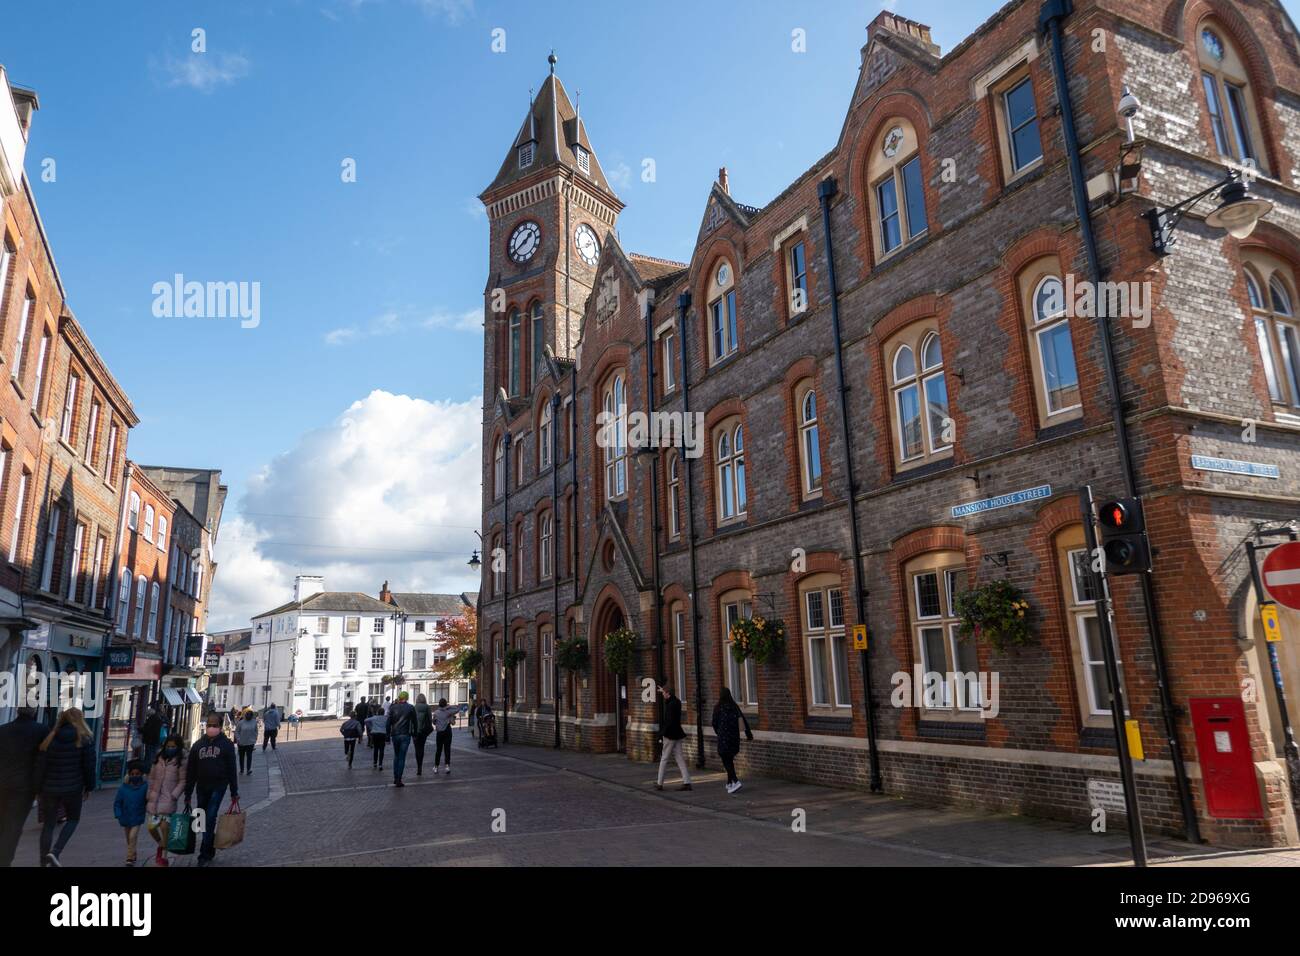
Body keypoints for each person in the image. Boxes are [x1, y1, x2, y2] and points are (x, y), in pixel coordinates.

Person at [34, 707, 96, 867]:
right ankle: (55, 852)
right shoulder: (84, 739)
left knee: (48, 824)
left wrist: (37, 788)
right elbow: (89, 766)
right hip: (73, 787)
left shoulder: (50, 738)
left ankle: (43, 861)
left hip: (49, 788)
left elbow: (40, 765)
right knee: (73, 819)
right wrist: (89, 787)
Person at [185, 712, 240, 866]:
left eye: (215, 725)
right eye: (209, 725)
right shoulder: (198, 745)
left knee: (210, 817)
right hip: (201, 786)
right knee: (201, 818)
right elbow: (191, 770)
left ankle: (203, 853)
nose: (211, 728)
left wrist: (234, 791)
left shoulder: (226, 745)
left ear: (220, 727)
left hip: (219, 785)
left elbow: (231, 769)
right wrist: (188, 792)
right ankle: (209, 845)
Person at [0, 706, 48, 867]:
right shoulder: (41, 731)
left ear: (16, 711)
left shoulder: (3, 730)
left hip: (3, 783)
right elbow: (42, 761)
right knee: (14, 826)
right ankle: (5, 860)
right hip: (24, 788)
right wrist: (38, 787)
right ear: (34, 711)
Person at [146, 734, 187, 867]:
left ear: (178, 747)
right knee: (151, 827)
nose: (170, 748)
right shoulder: (159, 757)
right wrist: (149, 791)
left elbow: (183, 780)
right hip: (155, 797)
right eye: (168, 746)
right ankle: (161, 844)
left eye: (173, 746)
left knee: (165, 827)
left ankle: (164, 855)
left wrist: (174, 795)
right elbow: (151, 776)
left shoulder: (181, 760)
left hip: (168, 798)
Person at [711, 687, 752, 794]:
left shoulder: (718, 708)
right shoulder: (734, 706)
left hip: (723, 737)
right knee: (729, 759)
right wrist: (748, 734)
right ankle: (729, 782)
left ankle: (735, 781)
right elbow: (743, 720)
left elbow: (714, 723)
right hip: (734, 737)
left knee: (726, 760)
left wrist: (718, 732)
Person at [655, 683, 692, 792]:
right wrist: (663, 689)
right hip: (678, 733)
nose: (663, 695)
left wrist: (662, 733)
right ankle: (687, 782)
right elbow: (669, 698)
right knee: (679, 758)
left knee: (664, 758)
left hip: (670, 734)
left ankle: (659, 783)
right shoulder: (677, 702)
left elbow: (669, 721)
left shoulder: (670, 705)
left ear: (668, 693)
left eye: (664, 693)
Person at [113, 760, 148, 866]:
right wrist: (118, 814)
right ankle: (133, 853)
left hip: (137, 817)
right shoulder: (123, 788)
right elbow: (117, 803)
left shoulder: (145, 787)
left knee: (133, 836)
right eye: (132, 774)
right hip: (125, 817)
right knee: (129, 838)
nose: (135, 776)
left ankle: (129, 858)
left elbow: (148, 800)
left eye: (137, 774)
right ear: (129, 775)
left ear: (142, 775)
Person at [386, 691, 416, 786]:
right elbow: (415, 722)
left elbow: (388, 722)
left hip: (395, 734)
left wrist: (387, 736)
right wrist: (415, 733)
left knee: (396, 755)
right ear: (406, 698)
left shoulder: (393, 707)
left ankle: (395, 777)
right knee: (402, 757)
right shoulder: (411, 707)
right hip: (405, 734)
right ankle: (399, 778)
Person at [432, 697, 458, 774]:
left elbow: (433, 722)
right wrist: (449, 706)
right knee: (447, 749)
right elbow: (457, 709)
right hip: (447, 731)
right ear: (446, 704)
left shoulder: (436, 712)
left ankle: (436, 767)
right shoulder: (448, 712)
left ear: (439, 704)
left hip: (439, 733)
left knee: (438, 750)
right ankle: (447, 766)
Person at [412, 694, 434, 776]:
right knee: (422, 748)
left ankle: (418, 766)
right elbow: (429, 719)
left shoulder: (414, 707)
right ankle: (420, 766)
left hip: (415, 731)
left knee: (417, 749)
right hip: (423, 731)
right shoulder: (427, 707)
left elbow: (412, 720)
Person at [236, 709, 259, 775]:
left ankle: (248, 769)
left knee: (249, 756)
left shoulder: (254, 722)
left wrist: (255, 739)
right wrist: (238, 739)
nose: (248, 716)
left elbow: (256, 731)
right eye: (247, 715)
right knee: (241, 757)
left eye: (250, 715)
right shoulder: (241, 722)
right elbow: (237, 731)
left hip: (250, 742)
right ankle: (242, 769)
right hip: (241, 743)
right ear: (245, 715)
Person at [141, 705, 163, 770]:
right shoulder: (158, 718)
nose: (147, 716)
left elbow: (148, 730)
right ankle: (152, 767)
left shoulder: (151, 719)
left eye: (147, 715)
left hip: (150, 740)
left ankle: (148, 768)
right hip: (156, 740)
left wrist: (141, 730)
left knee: (149, 755)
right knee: (154, 754)